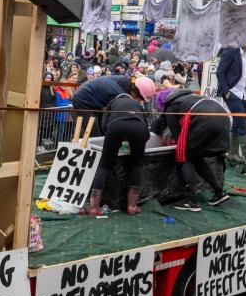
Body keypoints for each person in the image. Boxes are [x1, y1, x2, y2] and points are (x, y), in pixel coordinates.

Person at [152, 87, 231, 211]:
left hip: (206, 122)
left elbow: (178, 136)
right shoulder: (190, 98)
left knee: (185, 156)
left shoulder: (172, 106)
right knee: (196, 157)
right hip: (223, 119)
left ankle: (193, 202)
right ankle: (219, 192)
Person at [88, 76, 156, 216]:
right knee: (137, 165)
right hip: (139, 129)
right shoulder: (138, 105)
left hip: (116, 126)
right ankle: (132, 206)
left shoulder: (113, 103)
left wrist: (115, 140)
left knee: (104, 165)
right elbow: (146, 128)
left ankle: (94, 208)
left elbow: (104, 125)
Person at [216, 46, 246, 165]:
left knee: (238, 122)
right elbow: (219, 72)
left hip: (244, 94)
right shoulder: (231, 51)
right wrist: (226, 91)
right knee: (241, 122)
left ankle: (232, 154)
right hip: (232, 92)